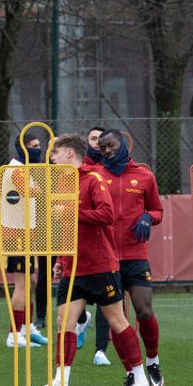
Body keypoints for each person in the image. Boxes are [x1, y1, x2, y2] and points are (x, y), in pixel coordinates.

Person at [32, 134, 150, 386]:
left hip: (100, 265)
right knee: (64, 322)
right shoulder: (62, 181)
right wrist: (62, 260)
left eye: (56, 153)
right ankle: (60, 382)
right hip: (74, 267)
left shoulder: (94, 179)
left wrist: (73, 212)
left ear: (70, 154)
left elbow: (107, 216)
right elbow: (64, 227)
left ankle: (140, 378)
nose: (52, 158)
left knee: (117, 321)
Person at [97, 129, 165, 386]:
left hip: (136, 255)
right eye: (102, 147)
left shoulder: (144, 176)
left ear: (123, 144)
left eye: (111, 145)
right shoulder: (97, 176)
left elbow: (157, 209)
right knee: (118, 318)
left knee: (144, 309)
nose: (107, 150)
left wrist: (149, 217)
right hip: (107, 256)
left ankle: (152, 361)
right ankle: (132, 371)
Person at [1, 131, 49, 348]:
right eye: (34, 145)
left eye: (40, 145)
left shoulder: (24, 168)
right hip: (16, 233)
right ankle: (14, 334)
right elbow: (37, 192)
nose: (38, 149)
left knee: (30, 281)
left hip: (25, 231)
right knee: (21, 284)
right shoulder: (17, 169)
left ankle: (28, 328)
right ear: (23, 148)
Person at [82, 126, 112, 364]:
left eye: (100, 140)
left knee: (110, 302)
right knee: (72, 297)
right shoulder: (80, 171)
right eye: (93, 139)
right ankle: (81, 320)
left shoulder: (112, 169)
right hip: (82, 244)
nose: (96, 143)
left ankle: (100, 349)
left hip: (111, 245)